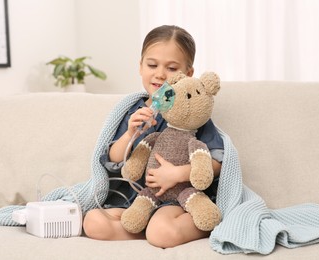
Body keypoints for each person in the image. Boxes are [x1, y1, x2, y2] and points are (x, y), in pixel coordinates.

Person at [83, 25, 224, 248]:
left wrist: (177, 174)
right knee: (93, 222)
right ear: (140, 67)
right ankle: (145, 228)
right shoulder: (132, 112)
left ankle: (204, 221)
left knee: (162, 233)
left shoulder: (192, 114)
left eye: (171, 68)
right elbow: (115, 159)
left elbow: (216, 161)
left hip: (176, 200)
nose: (159, 73)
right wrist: (130, 132)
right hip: (138, 200)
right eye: (152, 65)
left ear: (187, 74)